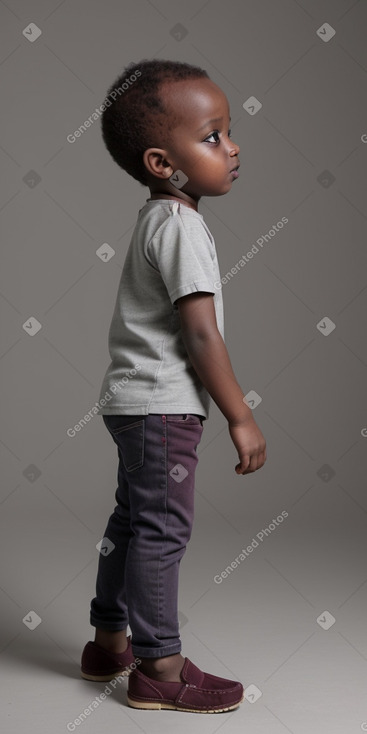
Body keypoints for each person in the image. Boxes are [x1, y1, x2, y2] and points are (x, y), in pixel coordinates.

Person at [80, 58, 266, 713]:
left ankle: (107, 640)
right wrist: (239, 414)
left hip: (130, 402)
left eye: (227, 131)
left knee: (130, 522)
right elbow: (201, 336)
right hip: (163, 410)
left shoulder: (156, 218)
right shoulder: (183, 227)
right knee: (161, 532)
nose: (232, 145)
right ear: (163, 162)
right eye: (212, 136)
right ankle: (160, 668)